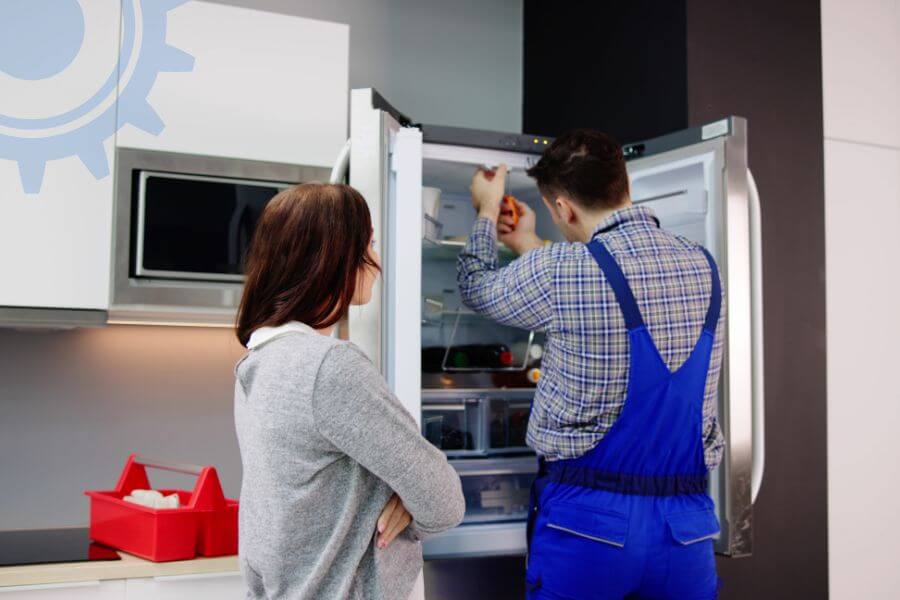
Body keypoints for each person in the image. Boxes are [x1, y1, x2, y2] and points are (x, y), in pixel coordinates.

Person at [458, 130, 725, 599]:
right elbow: (606, 291)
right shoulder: (704, 265)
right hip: (684, 532)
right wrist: (528, 242)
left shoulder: (560, 269)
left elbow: (475, 285)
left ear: (563, 208)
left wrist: (486, 208)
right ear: (624, 183)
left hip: (588, 528)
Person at [234, 183, 465, 600]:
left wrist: (405, 496)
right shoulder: (329, 366)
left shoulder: (258, 362)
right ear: (334, 258)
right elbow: (444, 500)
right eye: (369, 244)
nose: (377, 260)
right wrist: (409, 500)